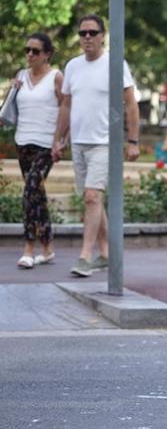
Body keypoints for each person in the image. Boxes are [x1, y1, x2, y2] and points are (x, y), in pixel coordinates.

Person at [52, 14, 140, 277]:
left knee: (92, 197)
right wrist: (59, 138)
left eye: (92, 33)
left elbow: (131, 104)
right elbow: (66, 105)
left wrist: (133, 140)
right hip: (79, 142)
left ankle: (84, 257)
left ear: (103, 36)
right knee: (91, 199)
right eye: (83, 33)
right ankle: (105, 253)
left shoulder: (114, 63)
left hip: (105, 142)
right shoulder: (73, 66)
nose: (87, 38)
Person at [10, 33, 63, 269]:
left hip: (45, 144)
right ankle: (48, 248)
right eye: (27, 50)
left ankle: (29, 249)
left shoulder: (56, 77)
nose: (30, 55)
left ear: (47, 54)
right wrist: (12, 90)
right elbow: (12, 108)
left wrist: (60, 141)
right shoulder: (20, 76)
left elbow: (66, 109)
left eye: (36, 51)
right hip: (23, 142)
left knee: (30, 191)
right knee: (36, 197)